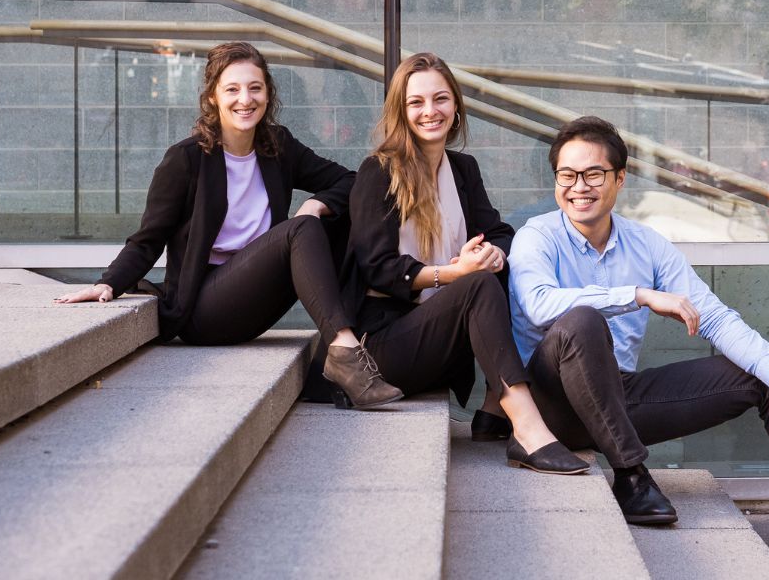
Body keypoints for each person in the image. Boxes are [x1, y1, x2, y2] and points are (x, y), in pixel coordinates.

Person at [508, 115, 769, 564]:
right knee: (582, 321)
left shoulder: (646, 244)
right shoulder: (538, 236)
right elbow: (538, 304)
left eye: (593, 174)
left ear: (620, 178)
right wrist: (637, 295)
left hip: (619, 396)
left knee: (765, 367)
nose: (579, 187)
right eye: (567, 175)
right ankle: (630, 474)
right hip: (552, 408)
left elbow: (714, 318)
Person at [54, 42, 402, 409]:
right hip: (204, 309)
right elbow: (147, 240)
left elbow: (351, 181)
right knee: (302, 229)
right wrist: (107, 283)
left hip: (256, 300)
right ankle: (346, 352)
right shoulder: (186, 160)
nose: (245, 99)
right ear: (213, 97)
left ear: (268, 93)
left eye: (255, 88)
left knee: (334, 221)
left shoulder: (278, 146)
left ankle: (337, 358)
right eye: (232, 89)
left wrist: (316, 203)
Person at [345, 52, 587, 474]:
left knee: (504, 268)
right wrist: (454, 273)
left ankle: (495, 409)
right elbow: (378, 268)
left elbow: (498, 232)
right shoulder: (379, 171)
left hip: (439, 336)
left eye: (440, 99)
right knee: (476, 284)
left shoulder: (462, 168)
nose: (430, 111)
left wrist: (494, 253)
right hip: (383, 346)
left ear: (455, 105)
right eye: (416, 102)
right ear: (400, 111)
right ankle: (526, 427)